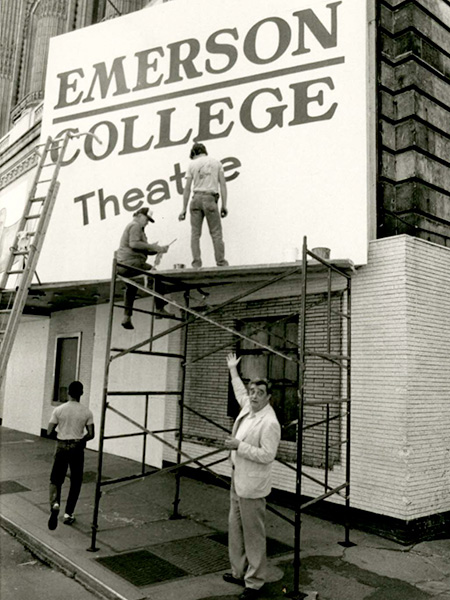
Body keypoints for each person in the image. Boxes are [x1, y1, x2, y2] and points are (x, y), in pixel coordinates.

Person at [223, 353, 281, 599]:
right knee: (235, 528)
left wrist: (239, 446)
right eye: (252, 391)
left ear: (268, 397)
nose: (254, 396)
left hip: (253, 486)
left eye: (259, 393)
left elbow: (268, 455)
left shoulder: (270, 423)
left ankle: (255, 583)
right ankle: (239, 571)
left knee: (253, 535)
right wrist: (233, 371)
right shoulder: (249, 407)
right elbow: (239, 392)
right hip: (238, 479)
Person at [47, 381, 94, 530]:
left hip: (61, 445)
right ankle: (68, 513)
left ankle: (55, 504)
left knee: (56, 478)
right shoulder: (87, 412)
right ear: (82, 393)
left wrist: (61, 437)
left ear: (68, 392)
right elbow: (91, 434)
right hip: (76, 448)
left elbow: (49, 431)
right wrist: (80, 440)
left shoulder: (59, 410)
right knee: (76, 480)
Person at [116, 207, 169, 329]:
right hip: (130, 262)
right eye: (146, 219)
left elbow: (141, 248)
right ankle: (159, 308)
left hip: (124, 265)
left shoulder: (138, 229)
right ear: (139, 215)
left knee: (131, 287)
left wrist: (158, 249)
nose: (147, 223)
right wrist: (154, 247)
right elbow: (134, 244)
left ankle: (126, 317)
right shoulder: (135, 226)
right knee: (156, 275)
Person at [179, 142, 229, 268]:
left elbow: (187, 189)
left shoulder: (192, 164)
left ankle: (196, 263)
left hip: (195, 199)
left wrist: (183, 209)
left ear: (194, 153)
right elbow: (222, 185)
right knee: (216, 233)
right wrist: (224, 205)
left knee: (195, 234)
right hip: (210, 198)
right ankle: (221, 262)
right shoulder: (217, 163)